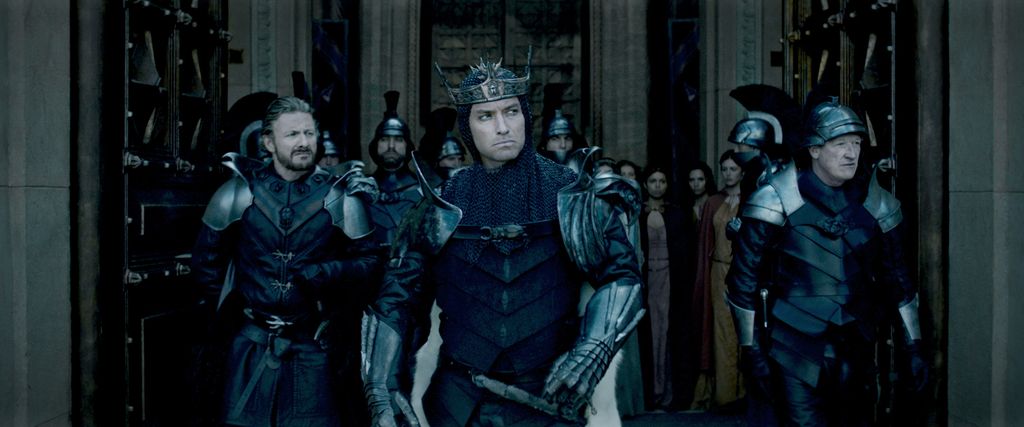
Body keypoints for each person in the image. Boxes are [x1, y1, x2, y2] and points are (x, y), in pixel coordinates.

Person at [361, 50, 644, 426]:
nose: (503, 127)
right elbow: (397, 299)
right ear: (468, 127)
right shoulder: (442, 203)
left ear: (526, 115)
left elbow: (622, 275)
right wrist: (381, 385)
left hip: (549, 400)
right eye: (486, 116)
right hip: (458, 402)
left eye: (511, 112)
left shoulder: (571, 194)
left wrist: (595, 345)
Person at [727, 100, 928, 426]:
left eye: (856, 144)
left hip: (857, 349)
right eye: (840, 144)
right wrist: (751, 349)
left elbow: (898, 279)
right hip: (792, 350)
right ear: (815, 149)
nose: (851, 153)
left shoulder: (876, 203)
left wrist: (913, 347)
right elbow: (743, 279)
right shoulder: (775, 199)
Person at [191, 96, 380, 426]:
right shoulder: (238, 192)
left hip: (313, 348)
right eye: (292, 134)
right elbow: (207, 265)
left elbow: (371, 265)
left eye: (309, 133)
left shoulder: (341, 197)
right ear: (268, 142)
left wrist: (326, 273)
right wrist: (240, 308)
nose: (304, 142)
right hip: (250, 346)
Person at [690, 150, 745, 410]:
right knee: (722, 330)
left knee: (744, 329)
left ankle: (745, 392)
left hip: (744, 273)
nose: (728, 174)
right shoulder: (713, 202)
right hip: (719, 272)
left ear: (742, 171)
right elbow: (705, 244)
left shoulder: (752, 199)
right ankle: (725, 394)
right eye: (724, 169)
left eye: (733, 169)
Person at [636, 166, 693, 411]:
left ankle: (670, 393)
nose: (657, 186)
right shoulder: (637, 213)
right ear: (645, 184)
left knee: (668, 331)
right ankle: (651, 393)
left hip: (670, 278)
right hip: (646, 279)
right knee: (649, 332)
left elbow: (686, 251)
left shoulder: (677, 214)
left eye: (662, 181)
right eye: (653, 181)